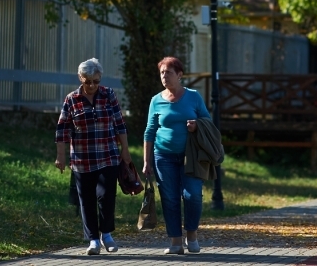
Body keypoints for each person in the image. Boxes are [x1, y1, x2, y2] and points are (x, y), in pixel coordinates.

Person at [55, 58, 131, 255]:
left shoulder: (108, 95)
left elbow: (119, 123)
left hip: (108, 154)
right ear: (80, 78)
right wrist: (60, 156)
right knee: (86, 199)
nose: (92, 86)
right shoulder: (71, 99)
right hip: (82, 158)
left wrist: (125, 150)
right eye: (87, 81)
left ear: (100, 79)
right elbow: (62, 129)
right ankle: (93, 240)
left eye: (96, 81)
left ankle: (106, 234)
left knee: (106, 194)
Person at [143, 56, 210, 255]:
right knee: (169, 198)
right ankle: (175, 242)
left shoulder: (194, 96)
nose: (164, 76)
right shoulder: (156, 100)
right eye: (162, 72)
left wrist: (197, 125)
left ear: (179, 75)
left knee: (193, 196)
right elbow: (149, 131)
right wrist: (147, 161)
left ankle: (192, 236)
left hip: (191, 157)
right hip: (163, 157)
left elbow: (208, 121)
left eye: (169, 72)